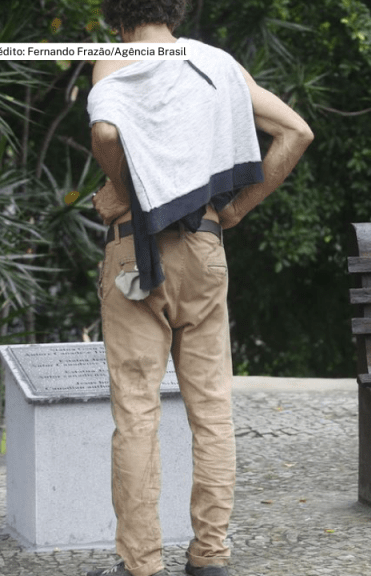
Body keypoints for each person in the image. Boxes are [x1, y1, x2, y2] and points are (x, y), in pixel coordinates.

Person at [86, 1, 313, 575]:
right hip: (205, 249)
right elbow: (296, 131)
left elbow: (106, 131)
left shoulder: (115, 59)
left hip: (135, 248)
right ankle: (210, 555)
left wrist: (129, 188)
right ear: (176, 10)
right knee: (212, 411)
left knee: (137, 415)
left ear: (116, 15)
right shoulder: (219, 64)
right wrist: (236, 210)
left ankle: (140, 565)